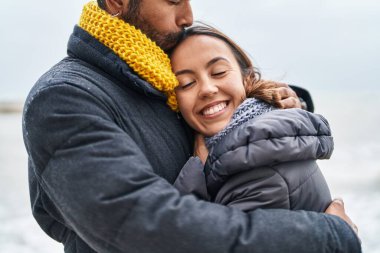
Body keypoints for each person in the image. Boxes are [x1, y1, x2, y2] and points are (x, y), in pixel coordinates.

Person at [22, 0, 361, 252]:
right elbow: (147, 227)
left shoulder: (154, 79)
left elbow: (227, 122)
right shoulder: (65, 98)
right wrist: (327, 235)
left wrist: (273, 100)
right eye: (172, 0)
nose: (186, 16)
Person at [171, 24, 332, 212]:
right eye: (187, 84)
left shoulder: (257, 172)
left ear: (247, 78)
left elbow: (190, 236)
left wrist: (198, 168)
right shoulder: (258, 137)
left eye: (219, 72)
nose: (207, 89)